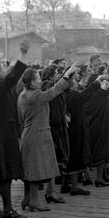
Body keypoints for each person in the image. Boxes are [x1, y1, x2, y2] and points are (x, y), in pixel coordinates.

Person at [18, 65, 79, 212]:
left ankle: (26, 199)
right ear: (32, 82)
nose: (40, 81)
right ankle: (34, 201)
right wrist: (67, 74)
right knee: (36, 170)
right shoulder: (36, 95)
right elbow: (54, 91)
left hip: (28, 133)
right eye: (38, 78)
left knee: (29, 169)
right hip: (38, 135)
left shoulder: (22, 94)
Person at [0, 40, 30, 218]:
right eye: (2, 64)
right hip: (3, 133)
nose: (5, 66)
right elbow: (13, 76)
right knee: (5, 170)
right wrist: (23, 54)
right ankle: (8, 209)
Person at [65, 68, 108, 195]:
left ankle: (65, 185)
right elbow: (85, 95)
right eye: (74, 78)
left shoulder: (69, 93)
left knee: (71, 156)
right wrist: (97, 82)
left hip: (73, 127)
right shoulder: (72, 94)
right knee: (75, 156)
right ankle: (73, 186)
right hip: (75, 128)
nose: (77, 80)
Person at [41, 65, 70, 201]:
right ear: (50, 74)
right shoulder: (48, 85)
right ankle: (50, 191)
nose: (58, 74)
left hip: (58, 124)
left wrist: (65, 115)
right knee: (52, 159)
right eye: (57, 72)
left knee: (55, 159)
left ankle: (51, 190)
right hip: (53, 126)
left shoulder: (51, 85)